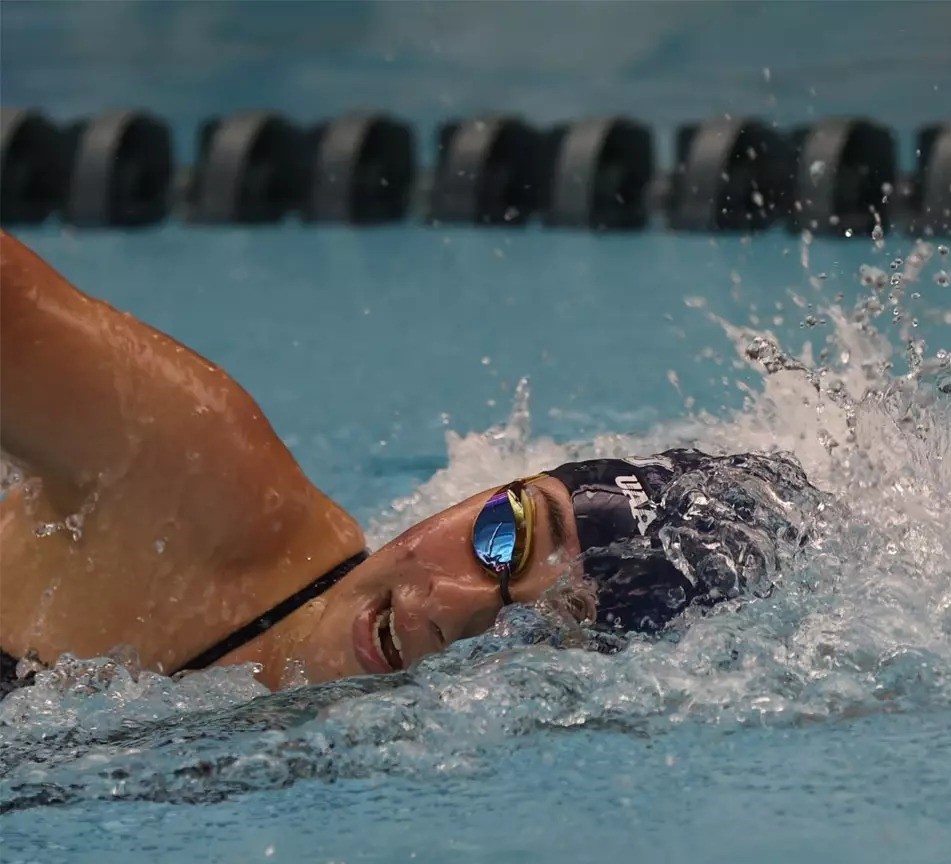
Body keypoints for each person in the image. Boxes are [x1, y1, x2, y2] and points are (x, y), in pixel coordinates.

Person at [0, 231, 820, 698]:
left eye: (546, 628)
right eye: (502, 538)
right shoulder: (198, 486)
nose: (454, 606)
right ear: (484, 492)